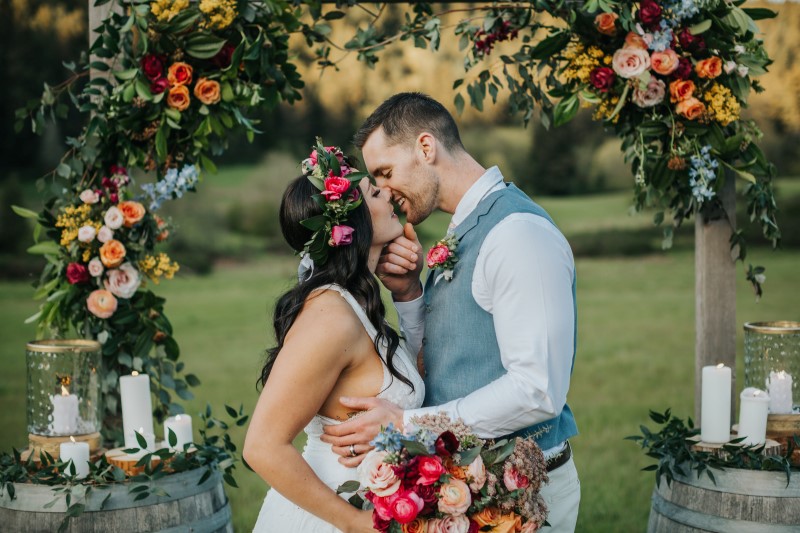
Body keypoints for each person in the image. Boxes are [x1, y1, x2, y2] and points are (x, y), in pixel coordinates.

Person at [320, 93, 581, 531]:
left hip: (528, 496)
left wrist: (407, 422)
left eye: (384, 172)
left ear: (426, 148)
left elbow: (537, 389)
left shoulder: (518, 234)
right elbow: (448, 357)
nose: (382, 191)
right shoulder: (464, 228)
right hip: (468, 492)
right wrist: (407, 294)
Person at [243, 144, 425, 533]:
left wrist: (408, 290)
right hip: (328, 520)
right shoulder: (330, 316)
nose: (389, 192)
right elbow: (262, 446)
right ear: (354, 221)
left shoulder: (357, 306)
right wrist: (357, 522)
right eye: (376, 193)